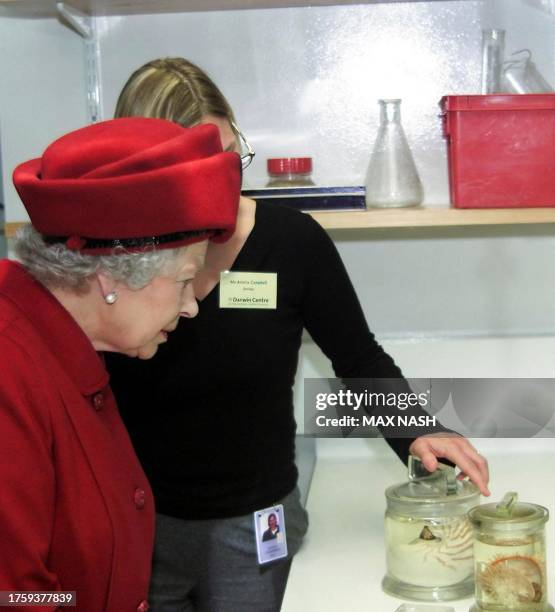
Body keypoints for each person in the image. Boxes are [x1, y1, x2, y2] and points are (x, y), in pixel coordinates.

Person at [106, 58, 490, 612]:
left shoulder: (290, 243)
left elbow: (357, 357)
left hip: (258, 523)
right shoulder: (109, 258)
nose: (220, 182)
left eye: (228, 160)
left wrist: (417, 431)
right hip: (141, 523)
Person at [0, 117, 240, 612]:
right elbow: (16, 595)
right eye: (183, 280)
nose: (192, 305)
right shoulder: (9, 370)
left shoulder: (64, 345)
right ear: (110, 276)